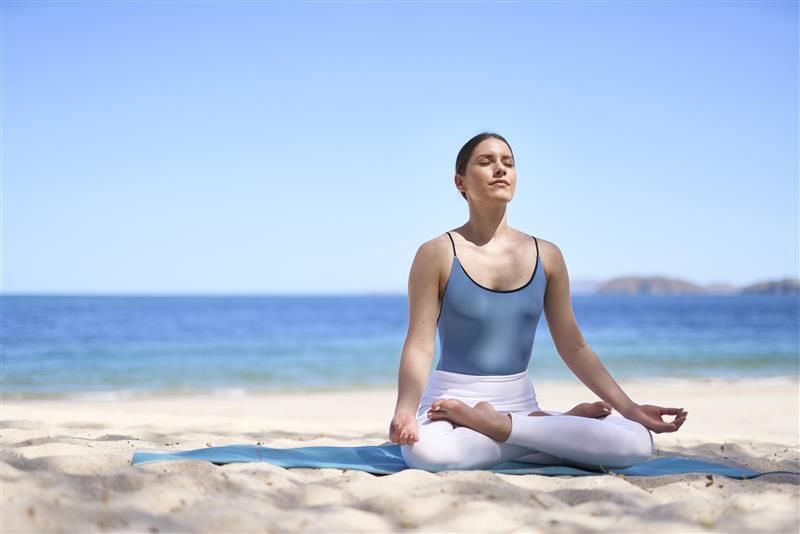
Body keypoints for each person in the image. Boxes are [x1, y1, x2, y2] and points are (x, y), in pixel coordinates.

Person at [388, 132, 688, 472]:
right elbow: (419, 344)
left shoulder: (547, 255)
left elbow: (573, 346)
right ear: (460, 183)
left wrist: (630, 408)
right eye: (486, 162)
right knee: (426, 454)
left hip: (518, 403)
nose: (500, 169)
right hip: (451, 402)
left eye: (508, 163)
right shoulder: (437, 253)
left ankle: (503, 426)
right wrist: (404, 410)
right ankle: (549, 429)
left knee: (637, 441)